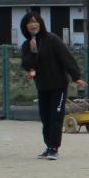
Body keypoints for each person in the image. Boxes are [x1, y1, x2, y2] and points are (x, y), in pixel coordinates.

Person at [20, 11, 84, 159]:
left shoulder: (52, 39)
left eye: (36, 21)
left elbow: (66, 57)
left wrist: (76, 76)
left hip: (58, 85)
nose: (33, 25)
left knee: (56, 116)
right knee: (45, 117)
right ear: (25, 26)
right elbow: (27, 65)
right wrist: (33, 52)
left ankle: (54, 147)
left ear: (40, 23)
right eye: (30, 22)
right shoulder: (26, 45)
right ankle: (48, 145)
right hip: (42, 86)